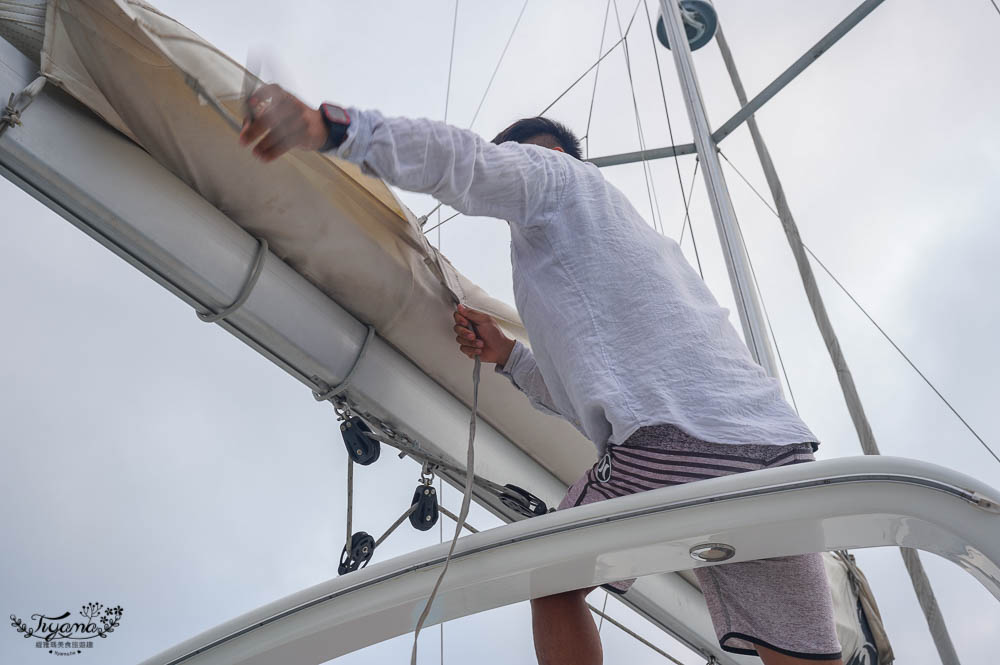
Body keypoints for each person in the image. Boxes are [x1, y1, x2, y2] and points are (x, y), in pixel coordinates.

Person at [238, 84, 843, 665]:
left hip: (667, 444)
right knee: (803, 655)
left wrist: (338, 129)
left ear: (546, 153)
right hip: (771, 446)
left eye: (520, 149)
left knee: (554, 583)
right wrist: (509, 358)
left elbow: (465, 161)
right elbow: (595, 388)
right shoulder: (642, 245)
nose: (514, 159)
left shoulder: (556, 178)